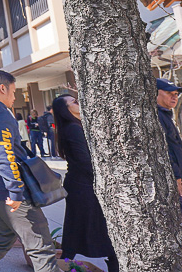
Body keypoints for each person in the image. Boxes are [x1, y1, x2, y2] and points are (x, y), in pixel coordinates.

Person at [0, 69, 60, 272]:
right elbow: (5, 154)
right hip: (11, 193)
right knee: (41, 247)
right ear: (2, 88)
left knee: (0, 240)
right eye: (14, 92)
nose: (15, 97)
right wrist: (15, 192)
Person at [52, 94, 118, 272]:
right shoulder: (73, 128)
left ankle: (63, 264)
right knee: (103, 232)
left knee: (76, 231)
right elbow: (85, 161)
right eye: (74, 102)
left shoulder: (75, 126)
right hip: (85, 188)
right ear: (65, 110)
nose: (78, 103)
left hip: (81, 186)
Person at [155, 77, 182, 200]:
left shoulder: (166, 115)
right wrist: (176, 176)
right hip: (172, 179)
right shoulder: (157, 116)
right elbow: (164, 149)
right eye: (168, 93)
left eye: (176, 94)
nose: (174, 97)